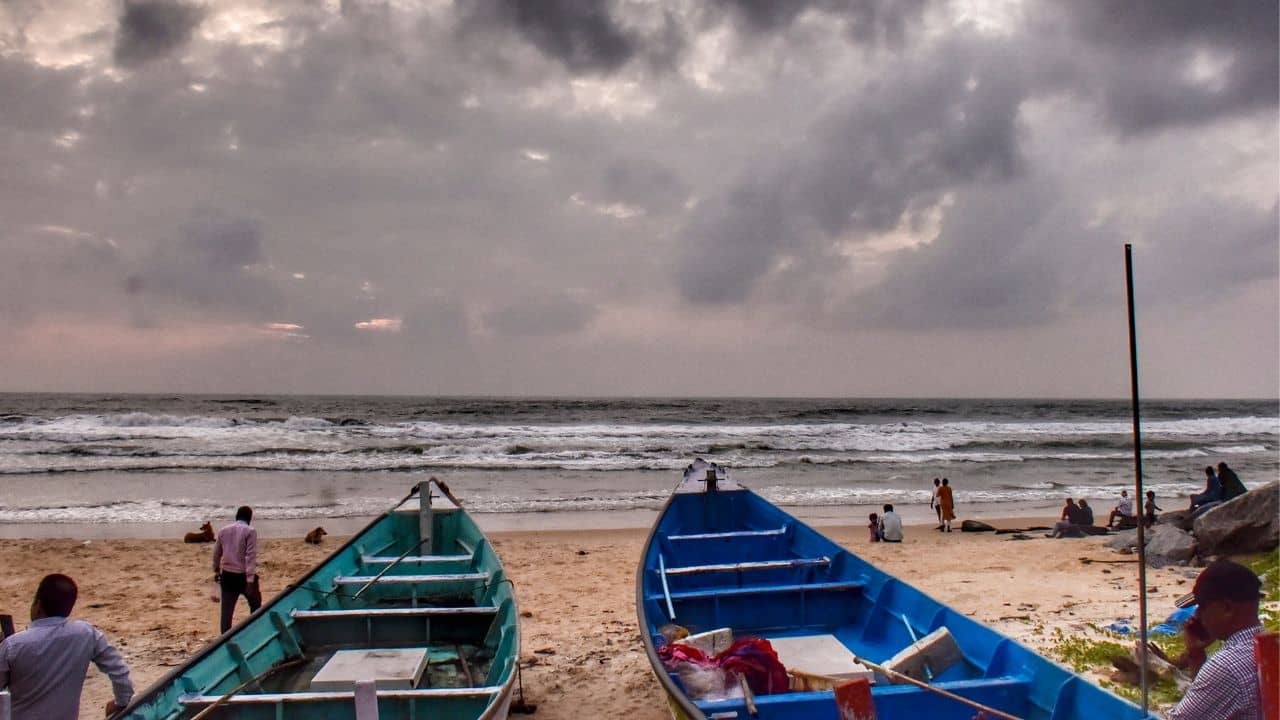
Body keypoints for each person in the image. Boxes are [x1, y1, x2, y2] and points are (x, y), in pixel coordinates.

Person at [0, 573, 133, 719]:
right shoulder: (86, 634)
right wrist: (121, 701)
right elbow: (119, 670)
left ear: (38, 605)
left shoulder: (13, 645)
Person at [1154, 560, 1264, 719]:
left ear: (1226, 608)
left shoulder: (1226, 666)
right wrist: (1196, 655)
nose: (1197, 615)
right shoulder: (1269, 647)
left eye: (1202, 607)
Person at [213, 505, 261, 633]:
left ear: (236, 516)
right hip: (243, 576)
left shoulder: (223, 531)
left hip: (227, 575)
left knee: (227, 612)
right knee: (256, 605)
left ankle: (225, 638)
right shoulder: (250, 531)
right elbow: (250, 556)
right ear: (249, 518)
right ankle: (254, 630)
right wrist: (250, 580)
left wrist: (217, 570)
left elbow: (217, 553)